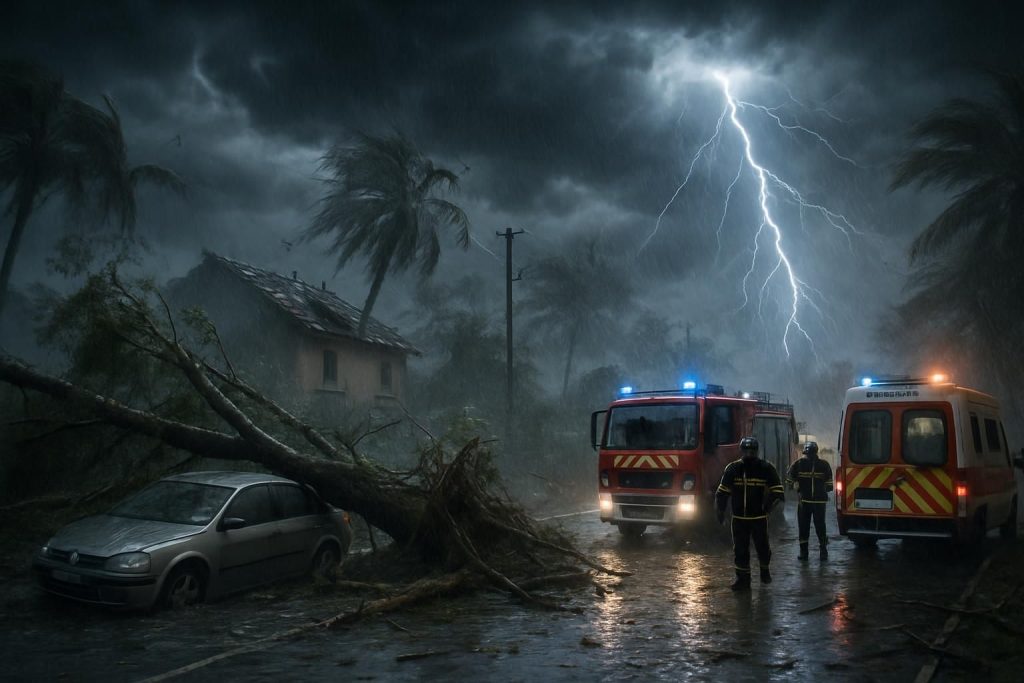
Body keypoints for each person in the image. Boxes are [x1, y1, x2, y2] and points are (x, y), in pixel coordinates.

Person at [716, 436, 786, 591]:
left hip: (759, 518)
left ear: (756, 451)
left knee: (762, 547)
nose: (749, 454)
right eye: (746, 450)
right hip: (739, 518)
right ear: (741, 451)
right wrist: (720, 511)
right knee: (740, 550)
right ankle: (743, 580)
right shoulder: (733, 468)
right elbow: (722, 492)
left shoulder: (766, 468)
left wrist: (766, 507)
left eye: (752, 451)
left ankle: (764, 571)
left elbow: (778, 492)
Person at [786, 441, 833, 560]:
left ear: (805, 452)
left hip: (804, 502)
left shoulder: (798, 464)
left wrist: (796, 487)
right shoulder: (824, 465)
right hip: (818, 502)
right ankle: (823, 551)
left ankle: (804, 553)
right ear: (816, 452)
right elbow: (829, 486)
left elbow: (789, 481)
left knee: (804, 527)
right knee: (820, 526)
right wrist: (821, 489)